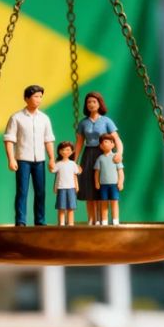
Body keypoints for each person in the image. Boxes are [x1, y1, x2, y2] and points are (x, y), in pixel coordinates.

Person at [3, 85, 55, 226]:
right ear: (26, 98)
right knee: (22, 191)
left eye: (40, 97)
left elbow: (48, 140)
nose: (39, 99)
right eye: (36, 96)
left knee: (40, 192)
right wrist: (11, 159)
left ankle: (40, 220)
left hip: (40, 160)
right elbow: (9, 140)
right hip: (22, 160)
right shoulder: (16, 118)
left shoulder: (44, 118)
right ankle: (21, 221)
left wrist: (51, 158)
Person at [74, 91, 123, 225]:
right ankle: (91, 218)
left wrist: (119, 153)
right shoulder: (83, 123)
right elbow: (79, 143)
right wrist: (74, 161)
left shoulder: (106, 121)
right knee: (89, 187)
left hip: (103, 154)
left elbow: (116, 139)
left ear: (99, 104)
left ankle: (103, 219)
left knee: (102, 186)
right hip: (88, 155)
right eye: (88, 102)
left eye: (94, 102)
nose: (91, 104)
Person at [94, 133, 125, 225]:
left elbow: (120, 171)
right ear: (100, 146)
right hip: (103, 185)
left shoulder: (116, 157)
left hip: (114, 185)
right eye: (102, 143)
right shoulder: (100, 158)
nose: (104, 144)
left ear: (113, 144)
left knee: (114, 202)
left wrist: (121, 182)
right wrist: (97, 182)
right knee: (104, 203)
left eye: (106, 142)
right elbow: (97, 172)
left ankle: (115, 220)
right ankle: (104, 220)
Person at [52, 141, 81, 226]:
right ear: (59, 151)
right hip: (61, 188)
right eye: (63, 150)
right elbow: (56, 175)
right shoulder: (58, 164)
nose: (65, 152)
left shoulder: (73, 164)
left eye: (68, 150)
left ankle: (71, 223)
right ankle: (61, 223)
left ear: (72, 151)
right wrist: (55, 187)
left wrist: (77, 186)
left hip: (71, 188)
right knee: (61, 207)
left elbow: (75, 175)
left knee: (71, 207)